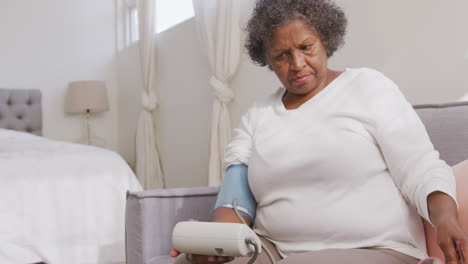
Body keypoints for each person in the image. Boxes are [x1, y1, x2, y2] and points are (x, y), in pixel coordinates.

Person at [171, 0, 468, 263]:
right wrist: (210, 243)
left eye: (306, 47)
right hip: (272, 249)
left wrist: (445, 218)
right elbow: (233, 204)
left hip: (373, 248)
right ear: (268, 60)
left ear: (325, 39)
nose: (297, 64)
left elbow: (419, 167)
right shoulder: (257, 117)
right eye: (281, 56)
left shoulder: (368, 87)